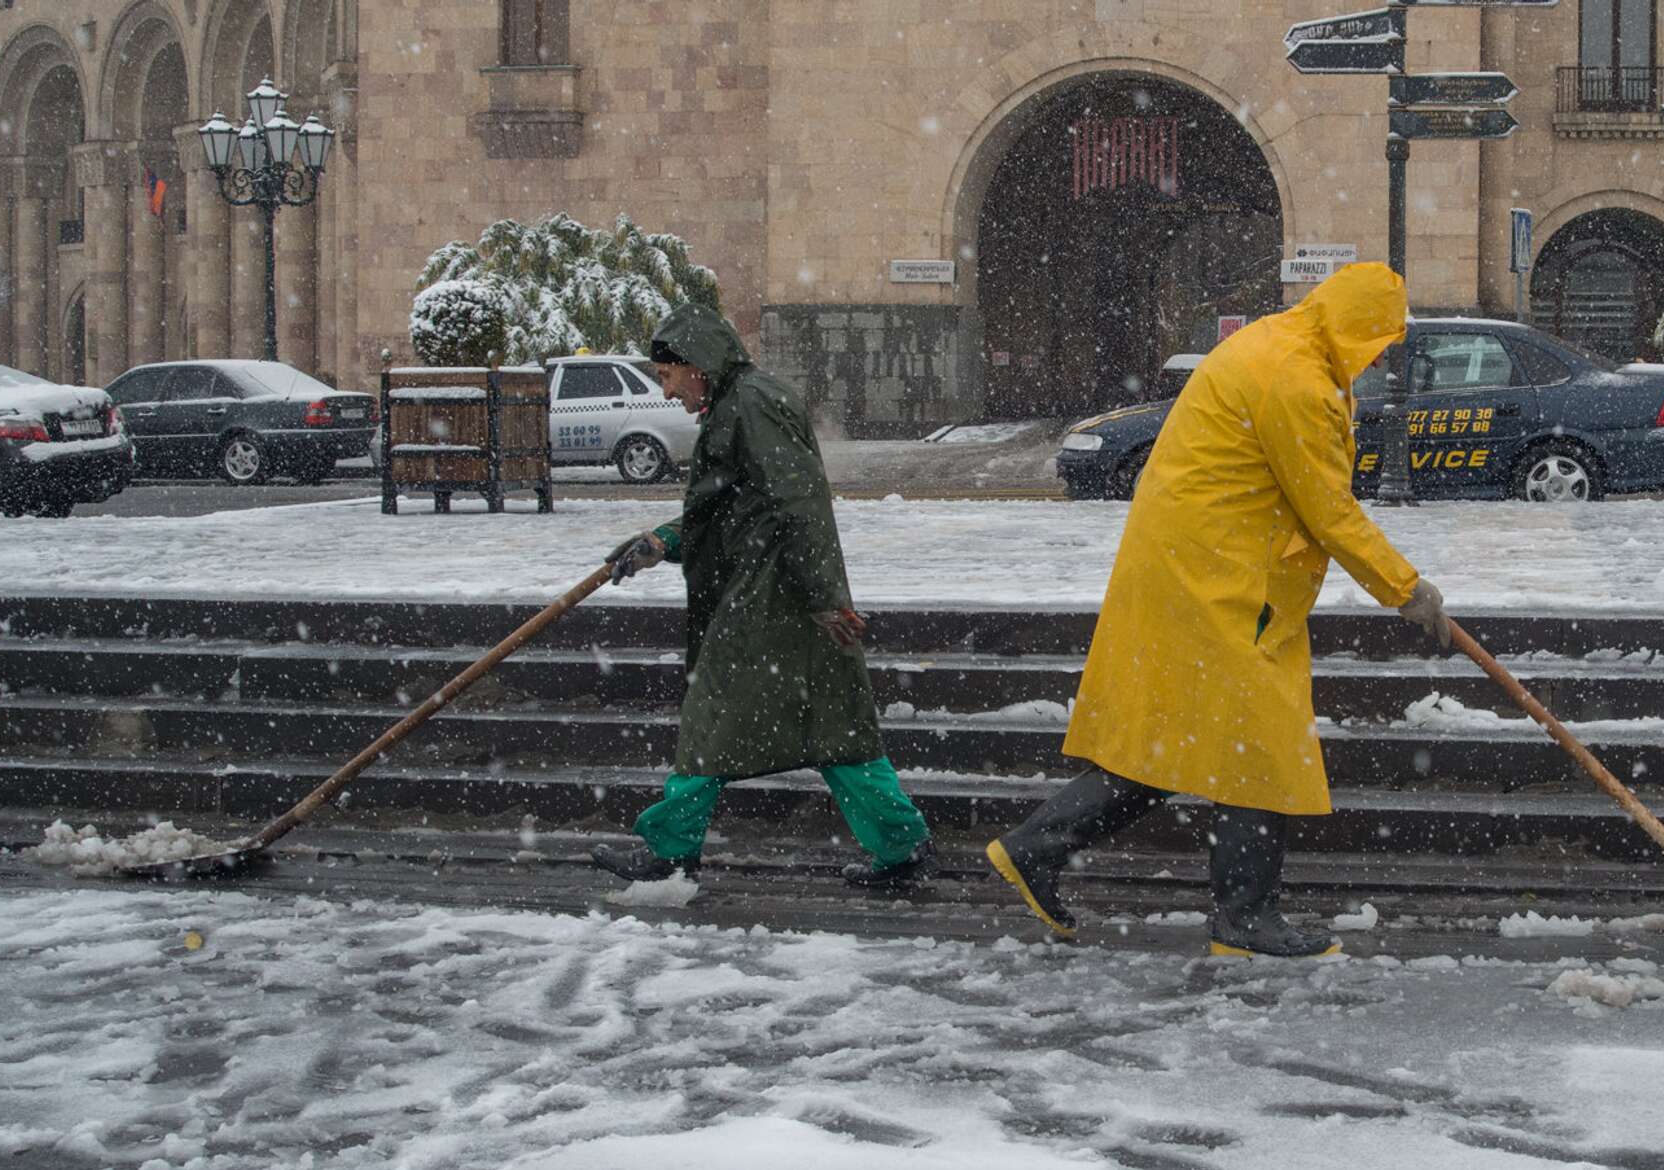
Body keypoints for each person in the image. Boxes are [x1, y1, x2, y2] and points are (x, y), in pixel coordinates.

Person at [986, 262, 1452, 958]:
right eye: (1381, 339)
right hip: (1219, 578)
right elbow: (1328, 509)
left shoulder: (1276, 344)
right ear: (1356, 329)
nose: (1382, 354)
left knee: (1179, 735)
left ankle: (1036, 847)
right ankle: (1245, 920)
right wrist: (1408, 590)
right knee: (1257, 743)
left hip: (1190, 564)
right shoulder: (1294, 379)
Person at [590, 302, 937, 890]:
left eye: (668, 376)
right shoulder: (736, 404)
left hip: (776, 601)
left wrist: (825, 599)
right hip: (774, 597)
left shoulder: (752, 404)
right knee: (835, 731)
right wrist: (661, 541)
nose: (667, 391)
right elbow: (729, 509)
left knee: (716, 724)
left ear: (697, 363)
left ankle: (672, 851)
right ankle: (901, 846)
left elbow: (799, 504)